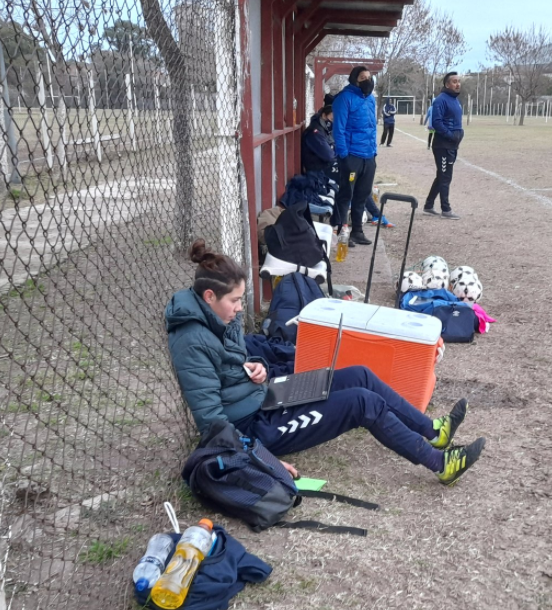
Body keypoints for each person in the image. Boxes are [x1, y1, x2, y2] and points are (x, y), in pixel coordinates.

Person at [165, 240, 485, 486]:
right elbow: (213, 423)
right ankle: (441, 464)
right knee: (362, 403)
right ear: (209, 297)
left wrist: (255, 367)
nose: (239, 308)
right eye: (234, 301)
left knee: (360, 375)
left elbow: (236, 361)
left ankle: (433, 431)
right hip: (255, 426)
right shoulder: (190, 341)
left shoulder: (220, 316)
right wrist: (262, 459)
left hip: (268, 395)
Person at [331, 65, 378, 248]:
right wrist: (344, 156)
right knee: (346, 195)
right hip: (351, 157)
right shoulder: (344, 98)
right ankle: (343, 232)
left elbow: (372, 128)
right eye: (362, 78)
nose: (367, 81)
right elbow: (338, 129)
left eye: (369, 77)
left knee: (362, 195)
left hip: (368, 157)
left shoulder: (371, 99)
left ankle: (357, 231)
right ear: (354, 80)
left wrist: (374, 152)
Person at [423, 72, 464, 220]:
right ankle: (446, 209)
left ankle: (428, 205)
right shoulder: (440, 100)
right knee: (445, 177)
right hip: (443, 145)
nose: (457, 84)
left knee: (442, 175)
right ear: (447, 84)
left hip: (452, 145)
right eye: (454, 81)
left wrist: (459, 135)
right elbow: (437, 122)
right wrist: (450, 135)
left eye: (459, 81)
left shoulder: (455, 100)